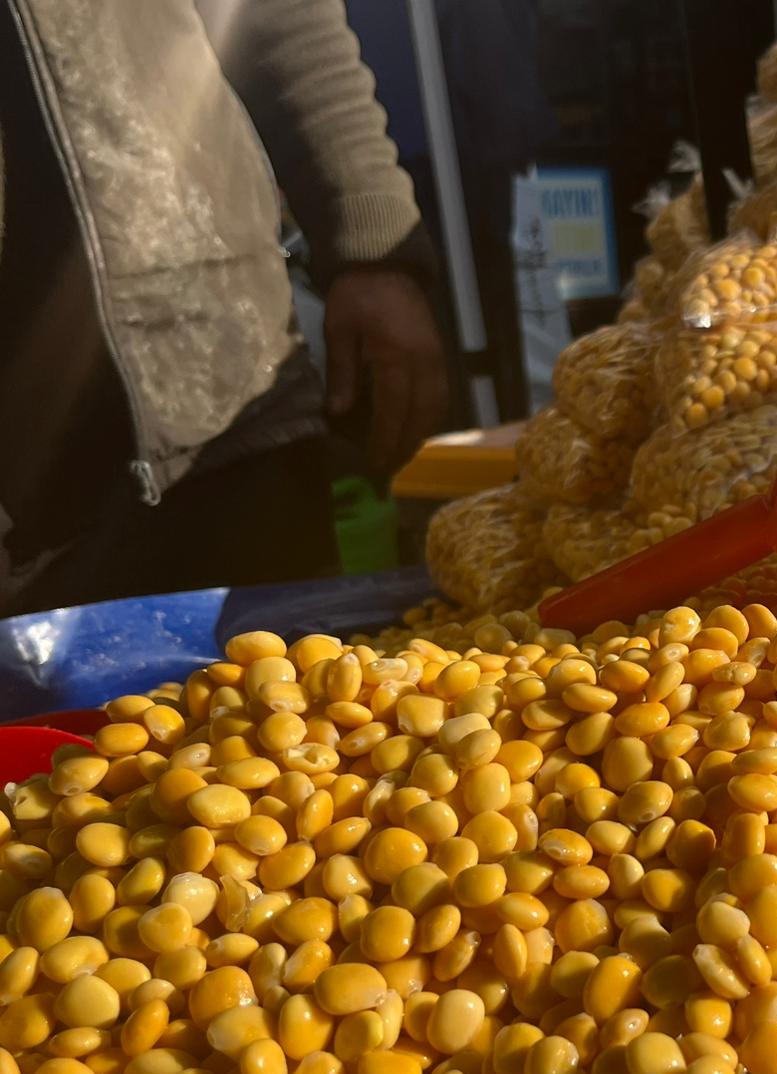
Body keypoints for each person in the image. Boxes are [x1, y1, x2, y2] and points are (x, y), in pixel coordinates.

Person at [0, 0, 449, 615]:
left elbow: (282, 13)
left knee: (295, 697)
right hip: (21, 479)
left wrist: (369, 244)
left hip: (227, 377)